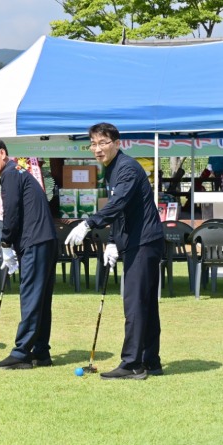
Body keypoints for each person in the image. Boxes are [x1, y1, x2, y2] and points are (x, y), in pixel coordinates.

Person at [66, 122, 164, 380]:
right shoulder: (112, 169)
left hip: (144, 242)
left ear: (117, 143)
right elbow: (122, 211)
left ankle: (133, 364)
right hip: (137, 241)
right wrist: (113, 240)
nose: (97, 149)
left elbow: (118, 202)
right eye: (93, 144)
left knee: (134, 303)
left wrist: (89, 223)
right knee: (145, 304)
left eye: (103, 143)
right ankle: (150, 361)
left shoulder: (127, 168)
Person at [0, 138, 57, 370]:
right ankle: (41, 351)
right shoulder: (19, 171)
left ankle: (22, 352)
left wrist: (5, 243)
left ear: (2, 153)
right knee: (41, 299)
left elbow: (11, 212)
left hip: (35, 240)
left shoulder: (11, 174)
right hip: (45, 239)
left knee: (31, 297)